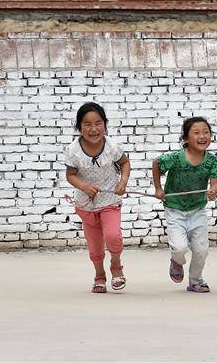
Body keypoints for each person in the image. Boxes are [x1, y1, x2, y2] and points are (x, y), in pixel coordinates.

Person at [64, 102, 130, 293]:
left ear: (105, 124)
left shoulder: (111, 146)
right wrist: (83, 186)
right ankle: (99, 275)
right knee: (95, 246)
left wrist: (123, 182)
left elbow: (125, 163)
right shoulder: (74, 151)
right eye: (87, 124)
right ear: (79, 128)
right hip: (86, 204)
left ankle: (116, 266)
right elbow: (70, 175)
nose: (93, 129)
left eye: (98, 123)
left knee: (113, 236)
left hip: (110, 201)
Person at [152, 116, 217, 293]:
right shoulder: (176, 158)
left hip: (197, 209)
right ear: (185, 138)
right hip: (174, 208)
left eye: (206, 132)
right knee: (180, 247)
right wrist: (158, 189)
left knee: (201, 250)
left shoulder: (211, 160)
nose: (202, 136)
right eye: (196, 133)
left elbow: (214, 182)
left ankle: (196, 281)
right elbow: (156, 163)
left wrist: (213, 189)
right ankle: (177, 260)